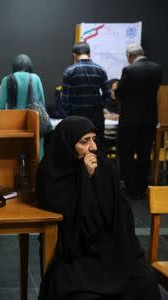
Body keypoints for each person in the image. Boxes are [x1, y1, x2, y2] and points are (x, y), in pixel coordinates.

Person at [37, 116, 160, 300]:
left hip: (109, 248)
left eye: (94, 139)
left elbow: (121, 213)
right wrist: (84, 177)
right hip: (77, 252)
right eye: (84, 142)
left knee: (146, 282)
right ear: (68, 144)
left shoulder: (104, 167)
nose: (93, 147)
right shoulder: (53, 173)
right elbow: (64, 210)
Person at [116, 44, 163, 199]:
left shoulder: (129, 70)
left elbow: (120, 92)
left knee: (127, 153)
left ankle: (130, 187)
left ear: (130, 55)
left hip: (130, 119)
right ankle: (142, 186)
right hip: (149, 119)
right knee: (144, 153)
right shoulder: (157, 69)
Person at [0, 54, 46, 157]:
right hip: (34, 123)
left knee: (14, 156)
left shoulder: (7, 80)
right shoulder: (36, 78)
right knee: (35, 156)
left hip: (13, 125)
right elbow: (42, 103)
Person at [61, 42, 109, 151]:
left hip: (77, 116)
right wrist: (100, 106)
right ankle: (99, 168)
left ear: (74, 55)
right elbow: (107, 94)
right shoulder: (100, 70)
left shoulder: (69, 71)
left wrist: (68, 113)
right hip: (96, 116)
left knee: (79, 147)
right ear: (89, 54)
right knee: (98, 147)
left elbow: (65, 99)